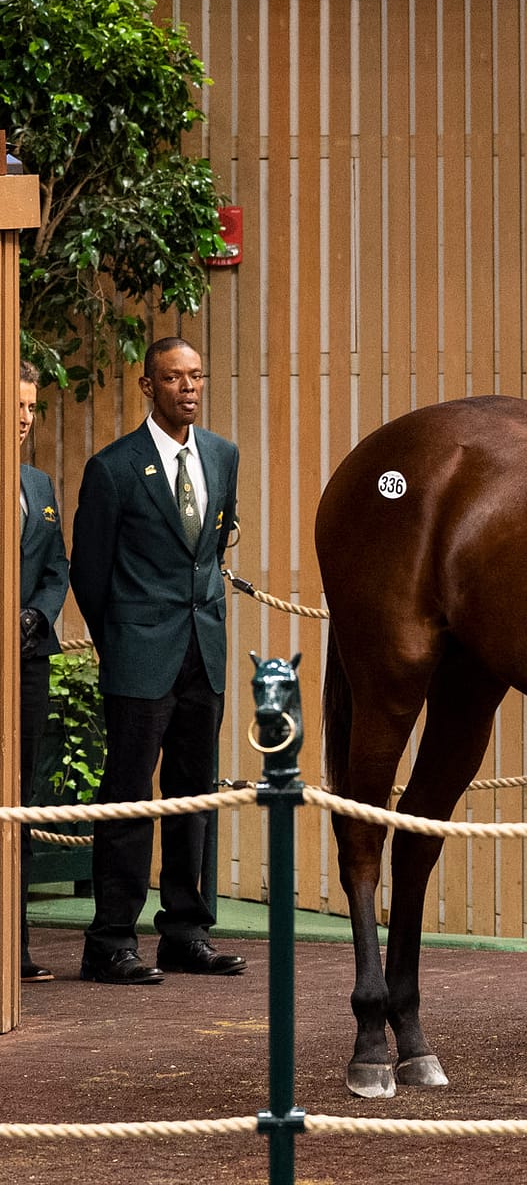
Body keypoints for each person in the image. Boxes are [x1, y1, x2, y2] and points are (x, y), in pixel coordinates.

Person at [69, 336, 246, 984]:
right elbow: (88, 573)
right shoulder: (114, 468)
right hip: (139, 658)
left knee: (193, 795)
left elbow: (213, 548)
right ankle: (110, 939)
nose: (189, 389)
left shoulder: (224, 456)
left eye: (196, 377)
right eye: (174, 379)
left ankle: (184, 932)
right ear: (148, 386)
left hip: (205, 652)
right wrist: (123, 640)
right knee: (128, 796)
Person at [17, 357, 70, 983]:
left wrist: (37, 616)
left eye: (33, 407)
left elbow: (56, 567)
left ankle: (15, 944)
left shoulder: (39, 484)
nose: (27, 419)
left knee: (22, 798)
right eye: (18, 407)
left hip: (27, 661)